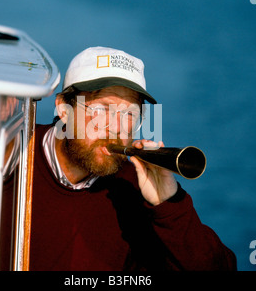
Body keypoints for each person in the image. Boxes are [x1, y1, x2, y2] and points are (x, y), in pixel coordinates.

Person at [29, 46, 236, 271]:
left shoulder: (132, 190)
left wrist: (168, 205)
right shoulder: (12, 153)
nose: (116, 127)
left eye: (129, 114)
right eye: (101, 109)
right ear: (63, 109)